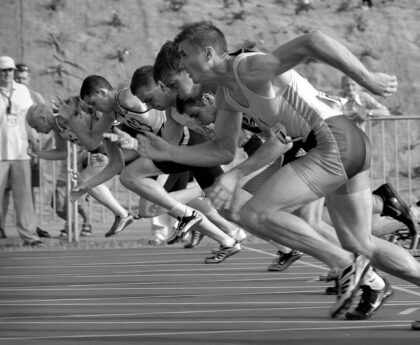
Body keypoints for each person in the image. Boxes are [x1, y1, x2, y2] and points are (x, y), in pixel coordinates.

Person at [133, 22, 420, 321]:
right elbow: (222, 151)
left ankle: (345, 264)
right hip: (341, 141)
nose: (180, 63)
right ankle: (353, 260)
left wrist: (367, 78)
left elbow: (312, 40)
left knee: (255, 213)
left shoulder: (247, 68)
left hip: (332, 139)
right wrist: (169, 152)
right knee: (361, 243)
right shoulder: (227, 95)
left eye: (183, 55)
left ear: (207, 54)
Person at [60, 76, 243, 263]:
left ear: (102, 92)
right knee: (139, 187)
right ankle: (226, 235)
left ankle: (229, 229)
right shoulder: (111, 117)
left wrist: (171, 85)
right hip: (169, 149)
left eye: (93, 103)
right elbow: (104, 153)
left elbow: (150, 86)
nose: (94, 108)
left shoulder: (126, 98)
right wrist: (86, 185)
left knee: (225, 209)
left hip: (183, 141)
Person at [26, 98, 134, 238]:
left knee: (84, 181)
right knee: (84, 182)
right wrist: (39, 154)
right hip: (98, 152)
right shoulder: (58, 128)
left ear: (43, 118)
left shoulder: (63, 117)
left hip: (110, 144)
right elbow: (62, 152)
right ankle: (123, 214)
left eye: (36, 126)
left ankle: (123, 214)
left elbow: (91, 112)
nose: (37, 131)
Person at [0, 56, 43, 246]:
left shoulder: (22, 91)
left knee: (24, 197)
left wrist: (34, 143)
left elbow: (29, 120)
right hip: (0, 153)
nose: (7, 74)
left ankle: (30, 236)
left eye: (9, 70)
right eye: (3, 71)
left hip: (20, 152)